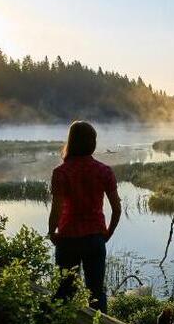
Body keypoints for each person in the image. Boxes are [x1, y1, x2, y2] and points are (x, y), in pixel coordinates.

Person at [48, 121, 121, 312]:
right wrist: (107, 233)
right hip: (94, 238)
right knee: (96, 293)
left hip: (67, 239)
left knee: (64, 291)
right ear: (92, 143)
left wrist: (51, 232)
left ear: (71, 142)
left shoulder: (60, 172)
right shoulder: (104, 171)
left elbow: (56, 209)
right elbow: (117, 209)